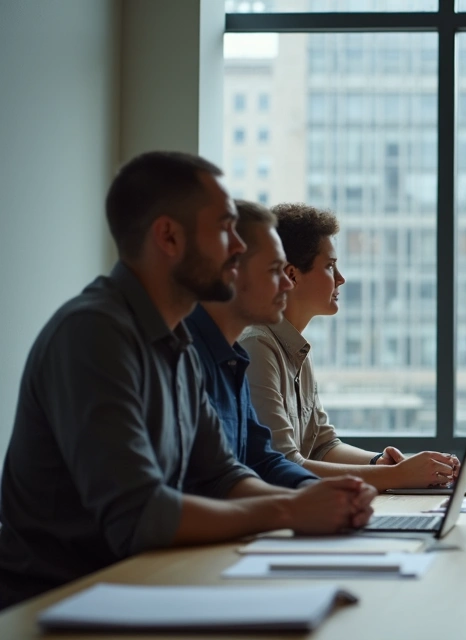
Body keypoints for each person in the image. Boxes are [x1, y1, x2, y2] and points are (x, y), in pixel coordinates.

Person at [0, 152, 376, 608]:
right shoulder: (94, 332)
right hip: (60, 601)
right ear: (169, 236)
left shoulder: (174, 339)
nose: (238, 249)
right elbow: (140, 514)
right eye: (224, 228)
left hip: (139, 585)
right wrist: (291, 509)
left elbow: (224, 474)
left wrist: (322, 497)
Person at [240, 203, 459, 492]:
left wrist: (380, 463)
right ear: (292, 276)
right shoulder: (256, 346)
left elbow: (323, 445)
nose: (340, 278)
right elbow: (283, 463)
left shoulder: (295, 347)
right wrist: (398, 477)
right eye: (330, 266)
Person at [184, 200, 317, 489]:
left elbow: (261, 460)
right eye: (274, 270)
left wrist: (316, 490)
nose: (287, 284)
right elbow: (212, 485)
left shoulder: (232, 357)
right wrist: (298, 505)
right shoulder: (184, 356)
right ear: (229, 270)